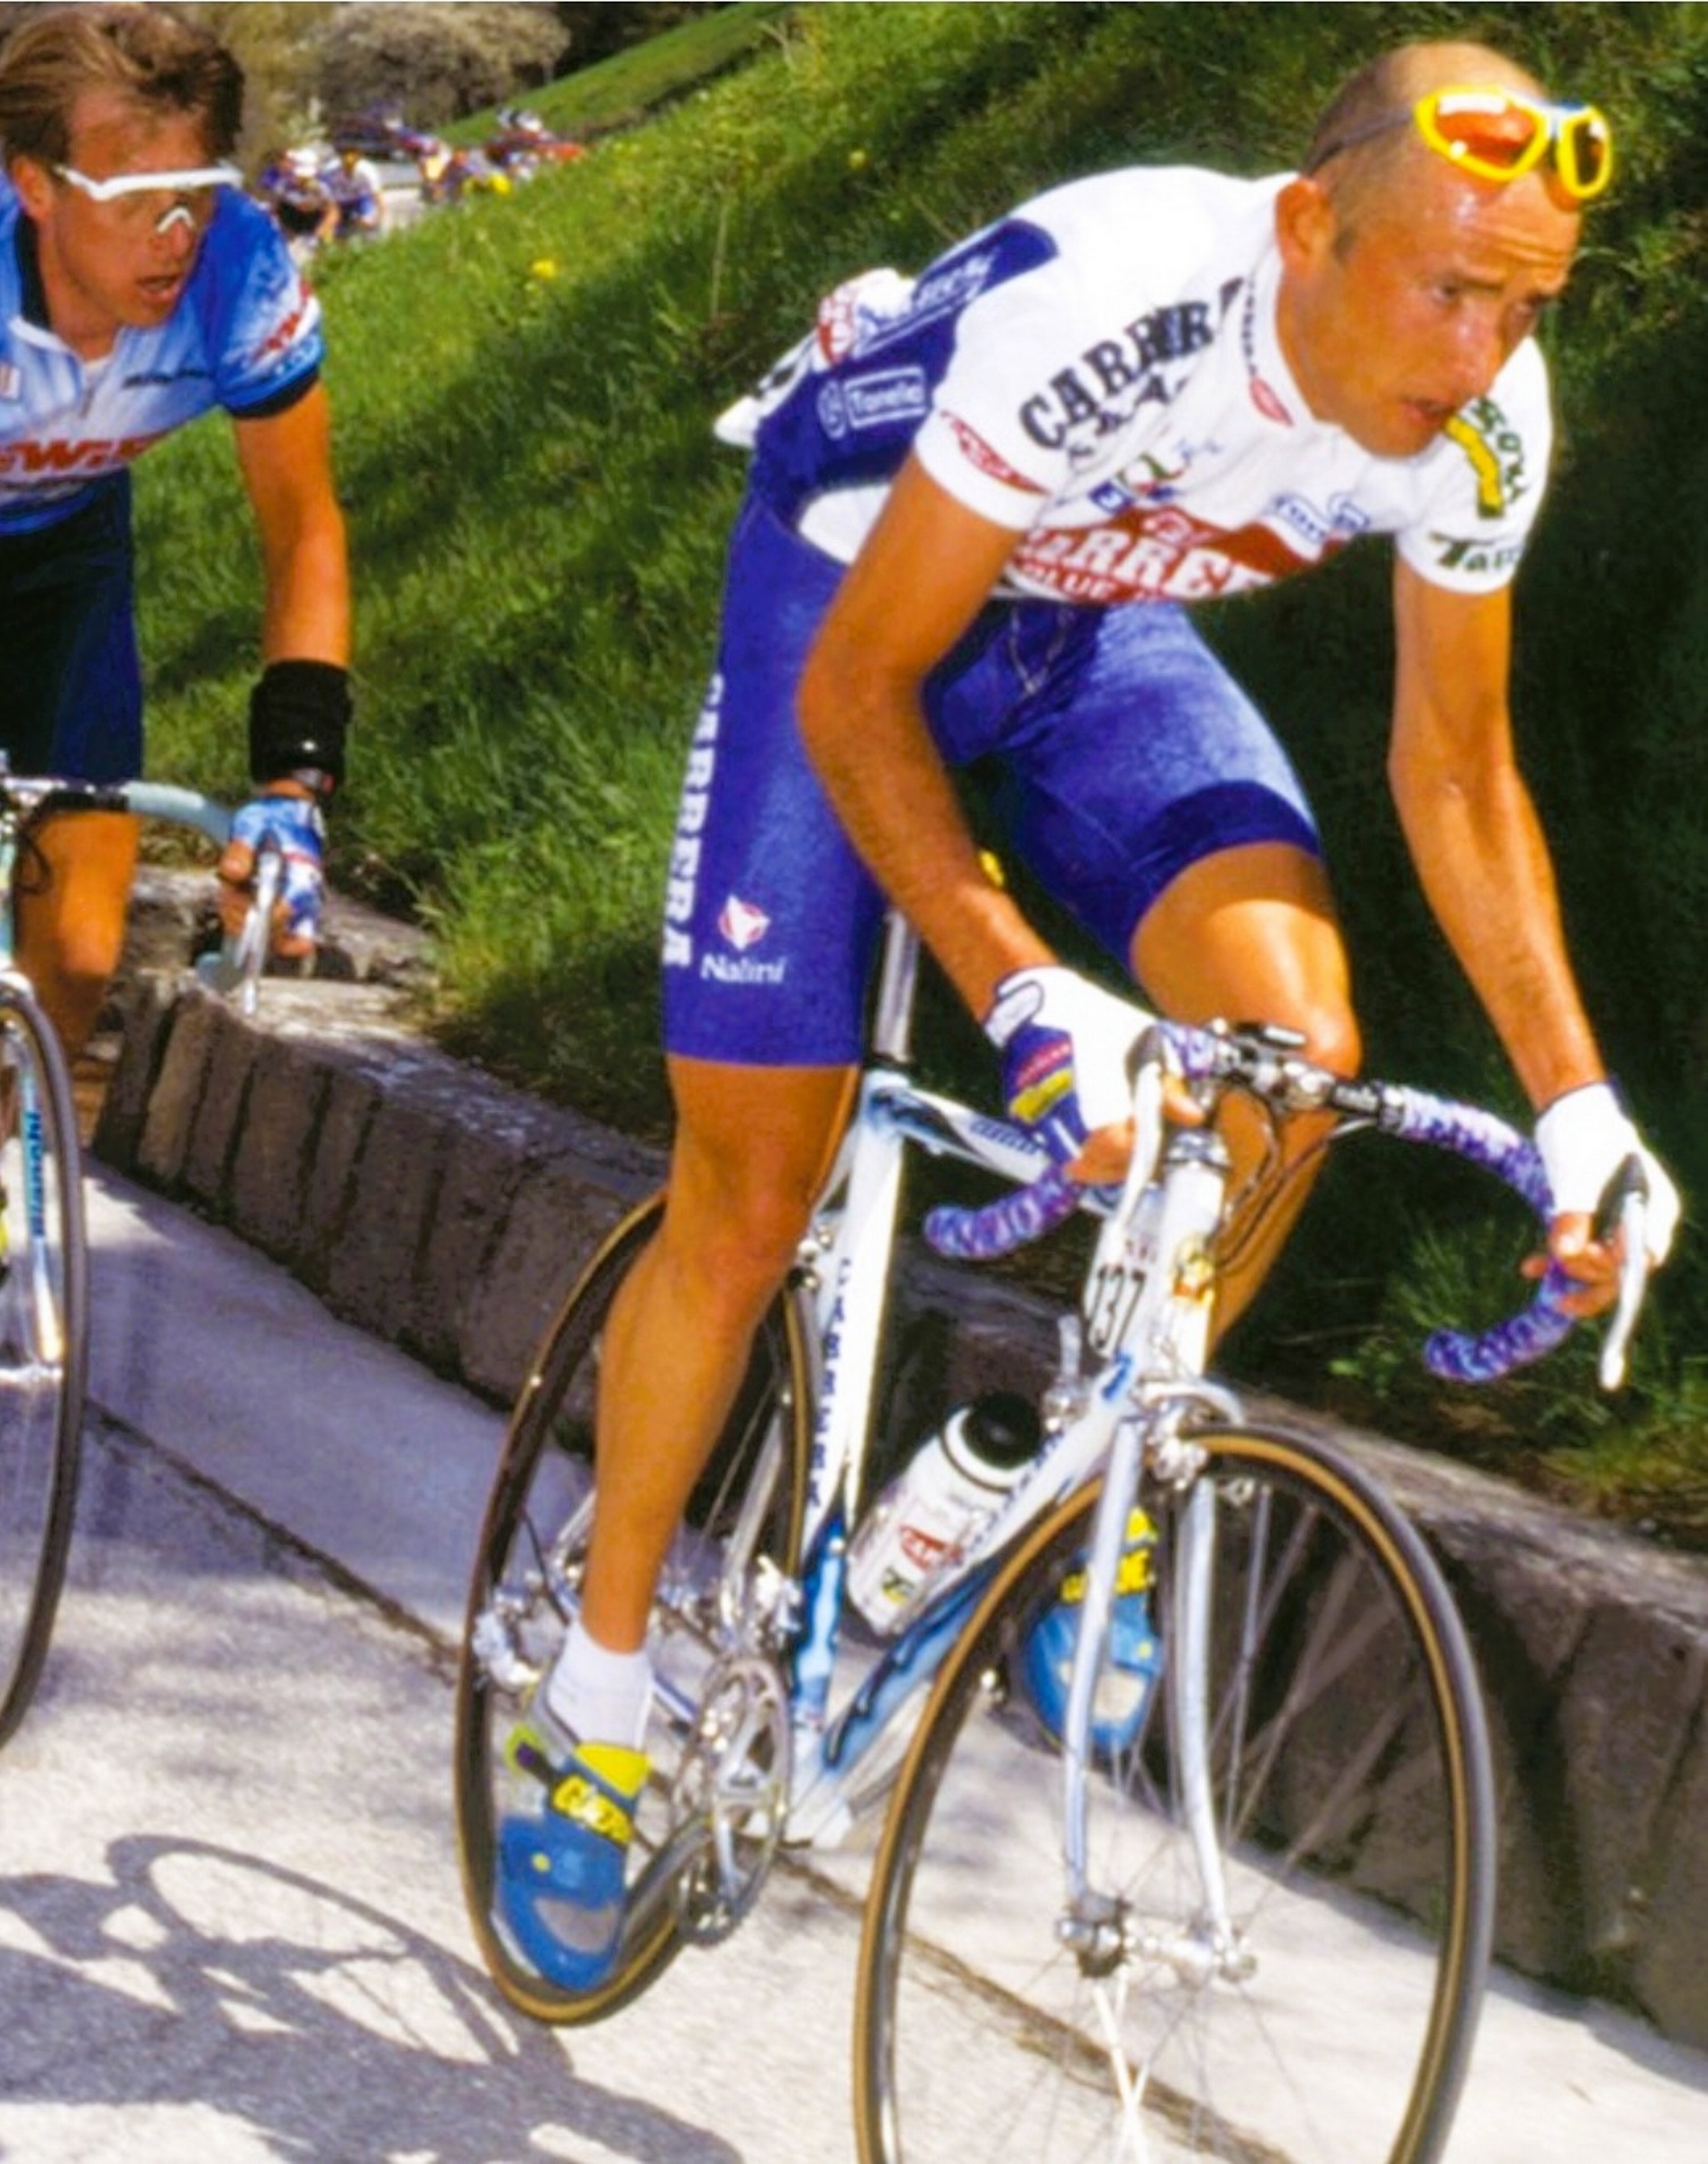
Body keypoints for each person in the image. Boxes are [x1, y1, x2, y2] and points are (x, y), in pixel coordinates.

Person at [493, 39, 1682, 1989]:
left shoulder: (1488, 421)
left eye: (1527, 306)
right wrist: (1027, 987)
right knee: (757, 1180)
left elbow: (1458, 772)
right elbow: (861, 691)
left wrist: (1578, 1108)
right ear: (1308, 231)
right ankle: (598, 1693)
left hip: (1092, 630)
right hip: (846, 599)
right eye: (1452, 289)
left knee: (1291, 1061)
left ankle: (1095, 1481)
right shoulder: (1122, 300)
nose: (1484, 352)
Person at [0, 6, 350, 1306]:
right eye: (138, 201)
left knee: (77, 960)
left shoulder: (239, 271)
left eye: (197, 193)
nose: (176, 233)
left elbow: (303, 530)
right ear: (36, 187)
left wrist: (294, 786)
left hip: (66, 552)